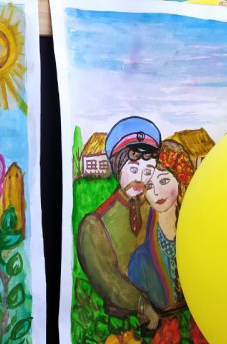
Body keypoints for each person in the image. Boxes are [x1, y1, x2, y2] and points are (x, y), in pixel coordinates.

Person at [76, 116, 162, 329]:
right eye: (133, 169)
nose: (140, 178)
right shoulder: (94, 224)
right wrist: (141, 305)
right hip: (116, 323)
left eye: (148, 171)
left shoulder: (157, 211)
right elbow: (106, 278)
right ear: (116, 166)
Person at [128, 140, 194, 312]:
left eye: (164, 181)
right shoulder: (140, 261)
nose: (156, 192)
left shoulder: (197, 239)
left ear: (180, 180)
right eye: (149, 185)